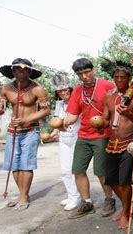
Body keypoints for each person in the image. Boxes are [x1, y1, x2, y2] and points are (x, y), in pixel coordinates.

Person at [63, 58, 116, 219]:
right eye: (80, 74)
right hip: (84, 135)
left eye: (87, 72)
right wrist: (63, 122)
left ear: (93, 70)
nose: (84, 76)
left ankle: (109, 200)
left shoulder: (107, 85)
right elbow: (73, 113)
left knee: (101, 171)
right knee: (78, 169)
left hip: (102, 134)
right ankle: (86, 203)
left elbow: (116, 108)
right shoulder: (78, 90)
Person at [0, 58, 50, 210]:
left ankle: (24, 196)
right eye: (18, 70)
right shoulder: (6, 88)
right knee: (14, 164)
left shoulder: (37, 89)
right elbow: (0, 108)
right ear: (13, 71)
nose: (21, 73)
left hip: (30, 131)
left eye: (25, 70)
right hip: (13, 131)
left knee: (26, 165)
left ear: (30, 72)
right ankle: (22, 193)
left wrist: (25, 119)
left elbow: (46, 110)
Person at [99, 59, 133, 229]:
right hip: (112, 142)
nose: (119, 80)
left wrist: (130, 114)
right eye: (116, 77)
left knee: (125, 181)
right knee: (111, 180)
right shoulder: (109, 96)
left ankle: (125, 211)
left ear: (129, 79)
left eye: (122, 78)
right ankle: (127, 206)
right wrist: (99, 123)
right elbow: (105, 118)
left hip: (129, 143)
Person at [49, 74, 81, 211]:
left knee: (76, 170)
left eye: (65, 90)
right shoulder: (59, 104)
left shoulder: (79, 101)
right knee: (65, 170)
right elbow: (57, 121)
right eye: (60, 91)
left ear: (70, 88)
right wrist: (54, 131)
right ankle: (72, 195)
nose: (63, 93)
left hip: (77, 138)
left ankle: (79, 197)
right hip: (64, 139)